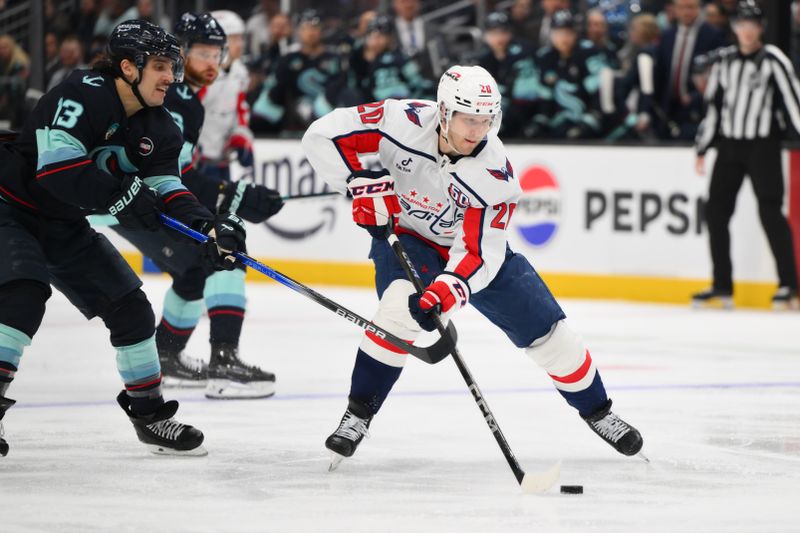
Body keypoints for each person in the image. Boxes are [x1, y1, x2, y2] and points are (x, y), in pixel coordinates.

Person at [301, 65, 644, 469]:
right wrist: (357, 180)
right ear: (444, 112)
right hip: (410, 238)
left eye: (487, 120)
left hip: (473, 253)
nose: (477, 130)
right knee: (397, 313)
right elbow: (321, 135)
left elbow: (479, 253)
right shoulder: (399, 120)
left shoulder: (494, 174)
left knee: (551, 335)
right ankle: (358, 414)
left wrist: (446, 292)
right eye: (468, 119)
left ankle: (599, 412)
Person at [0, 20, 247, 457]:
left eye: (173, 66)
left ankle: (150, 416)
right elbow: (56, 170)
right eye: (161, 66)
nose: (172, 76)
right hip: (9, 207)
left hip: (64, 222)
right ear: (128, 67)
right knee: (22, 296)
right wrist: (125, 196)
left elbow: (171, 191)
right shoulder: (81, 92)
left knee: (131, 309)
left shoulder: (161, 126)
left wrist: (211, 227)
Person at [108, 12, 282, 399]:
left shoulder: (184, 97)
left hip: (127, 193)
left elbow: (174, 170)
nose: (211, 62)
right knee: (225, 246)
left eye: (217, 53)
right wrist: (235, 195)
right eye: (202, 52)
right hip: (123, 195)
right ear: (180, 53)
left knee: (193, 268)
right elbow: (174, 177)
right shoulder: (174, 97)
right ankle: (225, 362)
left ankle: (165, 356)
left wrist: (230, 190)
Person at [693, 1, 800, 310]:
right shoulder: (725, 61)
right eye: (741, 24)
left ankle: (788, 284)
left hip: (762, 144)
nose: (747, 30)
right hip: (729, 144)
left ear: (760, 28)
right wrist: (702, 147)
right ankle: (722, 285)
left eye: (752, 24)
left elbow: (793, 104)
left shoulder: (773, 60)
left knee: (770, 211)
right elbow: (714, 108)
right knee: (716, 213)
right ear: (735, 28)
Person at [198, 10, 255, 182]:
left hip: (221, 161)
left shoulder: (240, 71)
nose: (241, 44)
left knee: (222, 207)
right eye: (236, 38)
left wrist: (240, 137)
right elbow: (186, 114)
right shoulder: (202, 73)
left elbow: (240, 111)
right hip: (196, 163)